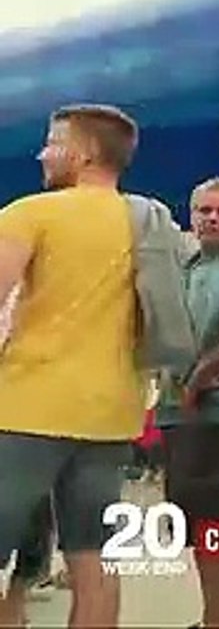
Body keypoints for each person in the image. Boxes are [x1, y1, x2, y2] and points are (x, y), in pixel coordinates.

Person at [0, 104, 145, 627]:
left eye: (51, 141)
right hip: (113, 414)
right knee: (95, 558)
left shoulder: (33, 212)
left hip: (28, 408)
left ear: (81, 154)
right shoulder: (149, 221)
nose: (42, 153)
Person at [154, 178, 219, 629]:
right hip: (179, 414)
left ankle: (218, 622)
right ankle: (210, 618)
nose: (212, 218)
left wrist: (202, 377)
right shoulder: (190, 265)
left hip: (216, 415)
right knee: (198, 527)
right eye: (203, 210)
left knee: (214, 528)